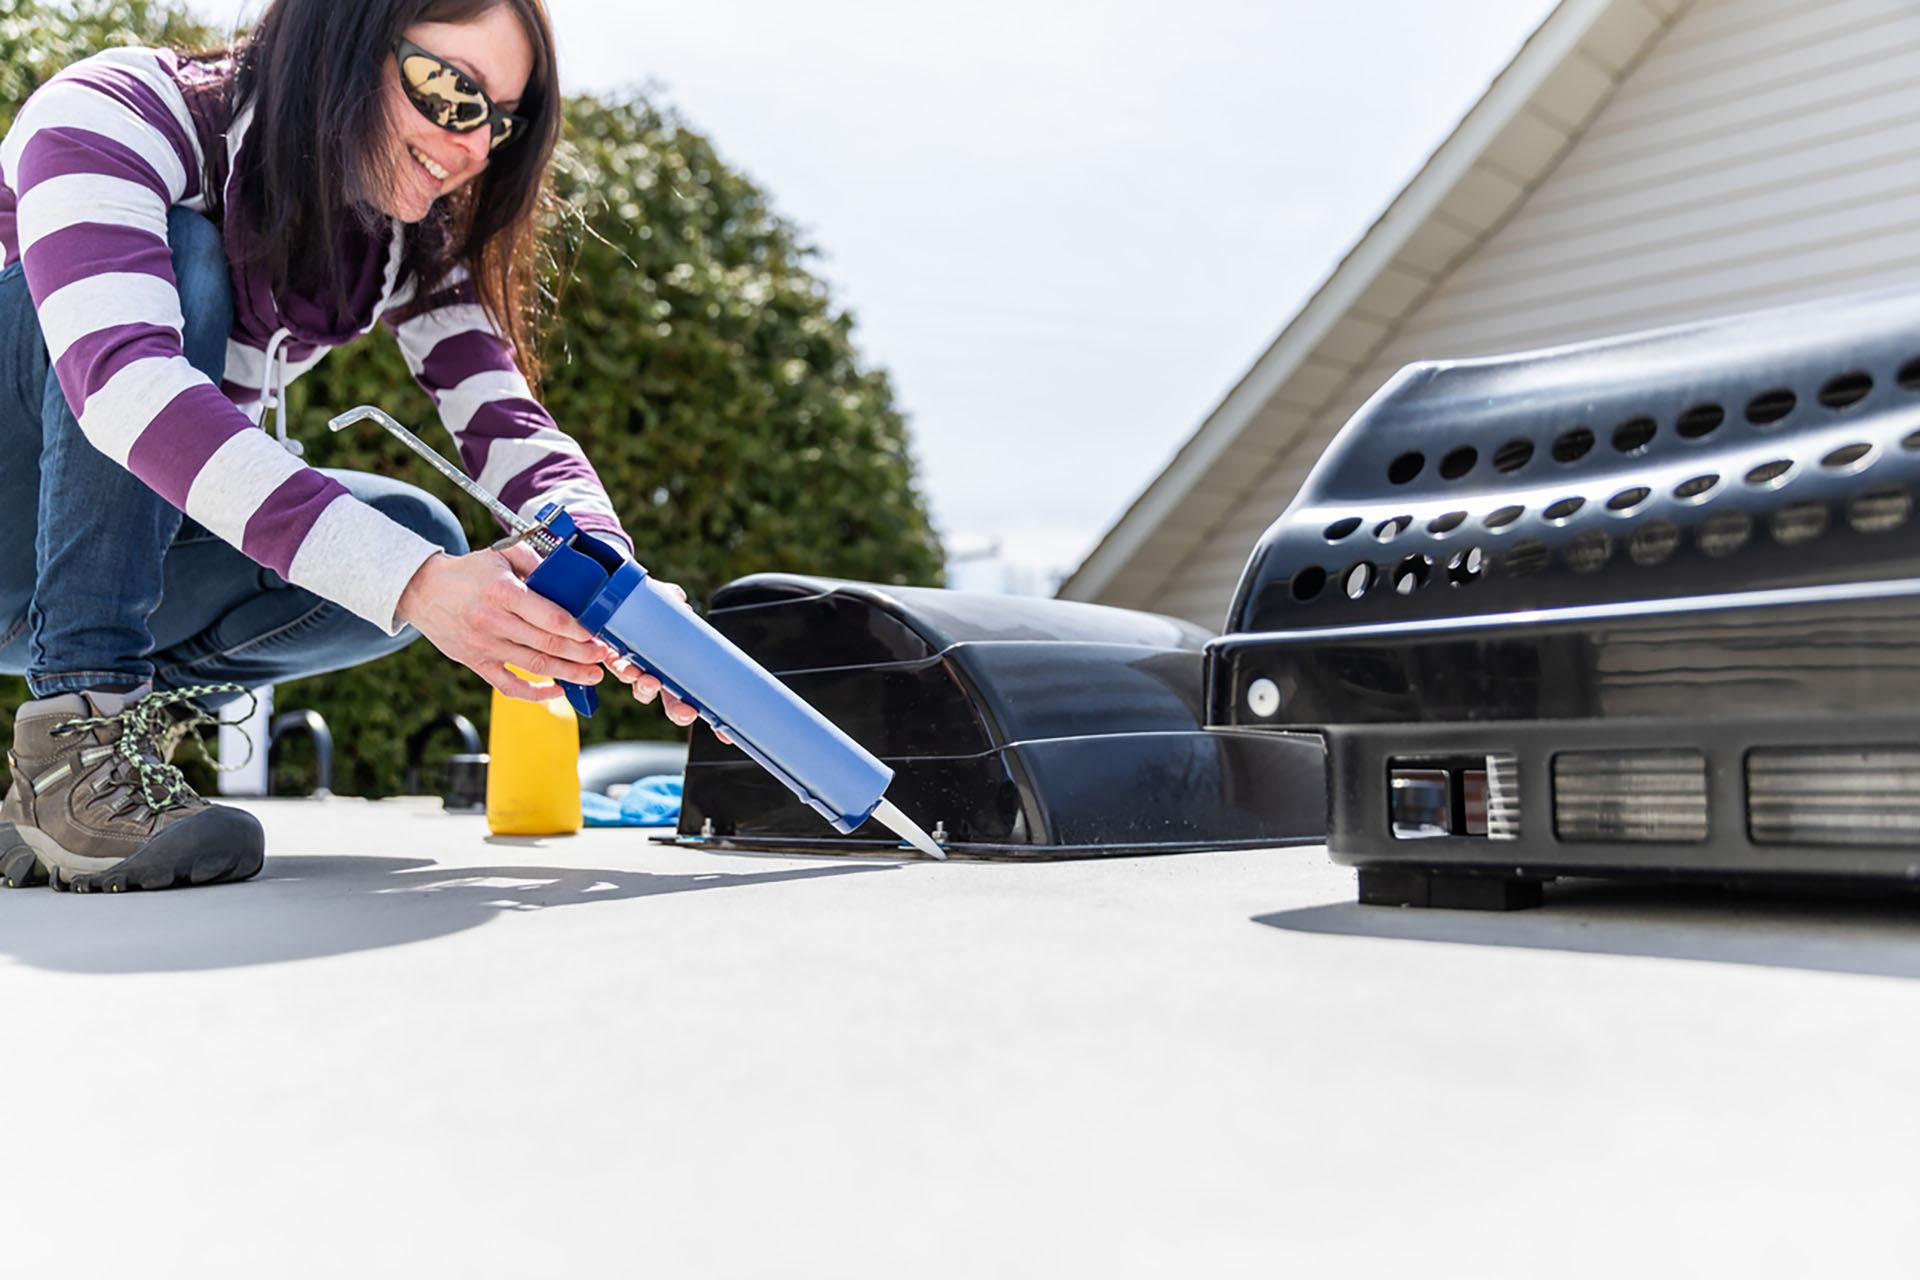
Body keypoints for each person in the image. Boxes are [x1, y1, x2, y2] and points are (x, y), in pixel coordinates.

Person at [0, 0, 693, 893]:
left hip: (60, 577)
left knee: (418, 531)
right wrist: (414, 584)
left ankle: (82, 774)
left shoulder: (405, 239)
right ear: (345, 40)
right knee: (185, 257)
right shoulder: (119, 111)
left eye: (500, 122)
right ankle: (78, 733)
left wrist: (618, 593)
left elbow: (506, 425)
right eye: (451, 91)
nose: (472, 146)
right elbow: (128, 388)